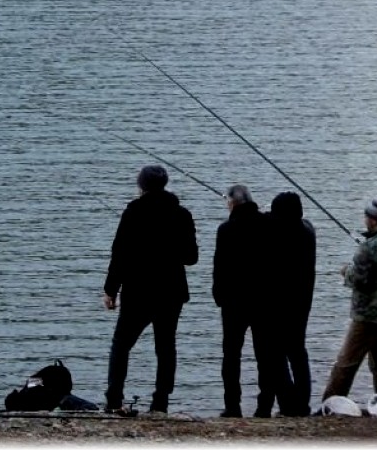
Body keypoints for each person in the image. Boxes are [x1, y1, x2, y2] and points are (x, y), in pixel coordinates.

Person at [102, 165, 199, 416]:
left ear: (141, 186)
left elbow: (119, 254)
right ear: (165, 184)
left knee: (121, 345)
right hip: (171, 292)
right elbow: (191, 257)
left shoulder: (133, 212)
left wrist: (110, 290)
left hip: (138, 291)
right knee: (166, 346)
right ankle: (160, 402)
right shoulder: (182, 214)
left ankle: (114, 399)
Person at [320, 196, 377, 403]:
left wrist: (345, 271)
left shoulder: (368, 248)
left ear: (372, 220)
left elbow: (359, 280)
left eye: (366, 216)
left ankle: (331, 404)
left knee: (346, 363)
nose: (364, 220)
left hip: (366, 317)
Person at [213, 184, 288, 418]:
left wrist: (219, 296)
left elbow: (220, 268)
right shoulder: (270, 224)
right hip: (265, 301)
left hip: (234, 302)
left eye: (227, 200)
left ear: (232, 203)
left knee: (231, 355)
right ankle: (264, 406)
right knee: (265, 356)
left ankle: (232, 406)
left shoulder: (226, 229)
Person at [267, 191, 317, 416]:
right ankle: (303, 403)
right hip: (303, 300)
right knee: (298, 352)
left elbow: (268, 224)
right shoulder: (307, 231)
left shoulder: (276, 234)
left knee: (276, 354)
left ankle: (288, 404)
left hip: (279, 302)